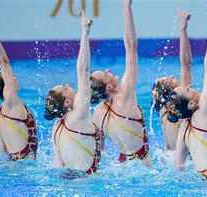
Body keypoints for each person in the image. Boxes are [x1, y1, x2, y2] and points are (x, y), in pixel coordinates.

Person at [91, 0, 152, 166]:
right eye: (105, 73)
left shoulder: (97, 112)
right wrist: (127, 7)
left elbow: (99, 150)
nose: (109, 70)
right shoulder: (125, 94)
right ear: (109, 87)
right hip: (142, 165)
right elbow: (132, 47)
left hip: (121, 163)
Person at [171, 5, 207, 182]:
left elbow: (178, 166)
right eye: (187, 89)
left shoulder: (185, 126)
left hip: (198, 180)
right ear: (192, 104)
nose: (189, 86)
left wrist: (183, 30)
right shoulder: (205, 112)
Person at [44, 11, 101, 175]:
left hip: (67, 180)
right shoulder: (79, 114)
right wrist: (85, 32)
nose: (69, 85)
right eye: (65, 87)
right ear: (67, 102)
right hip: (86, 184)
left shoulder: (56, 127)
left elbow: (58, 164)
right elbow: (83, 70)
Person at [0, 12, 38, 161]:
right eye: (9, 78)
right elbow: (4, 63)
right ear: (5, 87)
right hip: (26, 167)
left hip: (13, 164)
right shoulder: (12, 102)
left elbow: (3, 149)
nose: (13, 77)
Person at [151, 7, 193, 151]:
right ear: (170, 91)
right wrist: (183, 30)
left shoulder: (163, 112)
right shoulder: (182, 102)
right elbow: (186, 64)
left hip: (174, 161)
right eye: (169, 80)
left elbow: (168, 146)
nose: (172, 76)